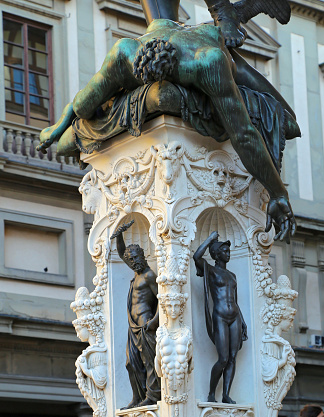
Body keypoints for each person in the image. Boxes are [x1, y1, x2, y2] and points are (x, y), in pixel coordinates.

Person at [37, 5, 299, 242]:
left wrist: (278, 193)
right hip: (159, 33)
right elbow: (82, 103)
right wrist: (58, 126)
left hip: (216, 47)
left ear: (179, 73)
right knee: (74, 127)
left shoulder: (206, 61)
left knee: (287, 118)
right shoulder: (124, 53)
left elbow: (243, 134)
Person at [110, 220, 161, 408]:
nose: (132, 261)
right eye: (130, 259)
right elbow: (122, 251)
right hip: (133, 325)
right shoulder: (137, 273)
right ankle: (137, 397)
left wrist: (154, 322)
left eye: (135, 258)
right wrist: (119, 235)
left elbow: (162, 300)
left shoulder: (148, 275)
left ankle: (153, 396)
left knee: (149, 362)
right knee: (131, 363)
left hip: (145, 323)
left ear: (142, 256)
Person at [193, 231, 248, 403]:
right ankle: (211, 393)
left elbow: (235, 301)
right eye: (224, 251)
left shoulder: (232, 275)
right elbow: (196, 257)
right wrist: (209, 239)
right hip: (220, 316)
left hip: (235, 317)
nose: (228, 254)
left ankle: (226, 395)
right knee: (223, 358)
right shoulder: (211, 271)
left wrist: (243, 322)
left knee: (232, 358)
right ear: (216, 254)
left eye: (229, 251)